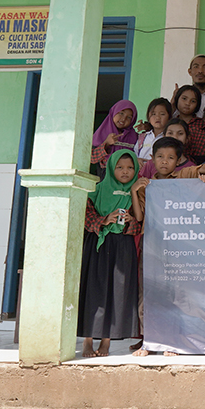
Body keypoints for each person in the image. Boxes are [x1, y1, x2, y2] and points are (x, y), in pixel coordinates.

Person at [78, 149, 140, 359]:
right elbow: (84, 213)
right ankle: (88, 340)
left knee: (117, 292)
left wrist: (130, 222)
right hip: (98, 244)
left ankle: (106, 341)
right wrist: (104, 220)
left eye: (130, 168)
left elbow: (142, 219)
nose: (125, 172)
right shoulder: (96, 189)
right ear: (111, 167)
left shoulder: (137, 191)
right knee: (93, 290)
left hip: (123, 245)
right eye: (120, 167)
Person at [91, 100, 138, 168]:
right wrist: (106, 143)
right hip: (106, 175)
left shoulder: (135, 137)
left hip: (127, 176)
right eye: (121, 113)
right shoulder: (101, 134)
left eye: (129, 117)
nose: (123, 119)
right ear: (113, 112)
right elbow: (92, 159)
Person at [171, 84, 205, 163]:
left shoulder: (202, 125)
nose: (187, 103)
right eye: (184, 99)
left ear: (197, 104)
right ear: (177, 99)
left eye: (193, 101)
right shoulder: (171, 123)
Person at [134, 98, 171, 162]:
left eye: (162, 114)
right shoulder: (142, 137)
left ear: (169, 117)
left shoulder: (169, 137)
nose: (157, 117)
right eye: (153, 114)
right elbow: (135, 154)